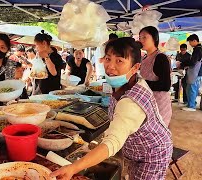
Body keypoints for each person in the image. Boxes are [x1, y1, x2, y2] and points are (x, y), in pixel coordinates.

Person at [51, 37, 172, 180]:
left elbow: (112, 142)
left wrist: (74, 167)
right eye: (108, 59)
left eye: (119, 61)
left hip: (152, 154)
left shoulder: (131, 103)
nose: (110, 66)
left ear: (135, 67)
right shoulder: (128, 82)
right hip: (139, 149)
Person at [139, 26, 172, 127]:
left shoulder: (160, 58)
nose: (141, 40)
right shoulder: (144, 57)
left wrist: (141, 83)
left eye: (144, 37)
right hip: (147, 103)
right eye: (140, 38)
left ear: (155, 38)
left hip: (159, 105)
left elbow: (165, 85)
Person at [177, 34, 202, 111]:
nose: (190, 44)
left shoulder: (198, 50)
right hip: (198, 73)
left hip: (195, 72)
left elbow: (193, 62)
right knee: (193, 89)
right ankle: (192, 103)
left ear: (194, 41)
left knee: (191, 89)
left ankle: (191, 106)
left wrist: (182, 64)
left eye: (190, 42)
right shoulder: (198, 49)